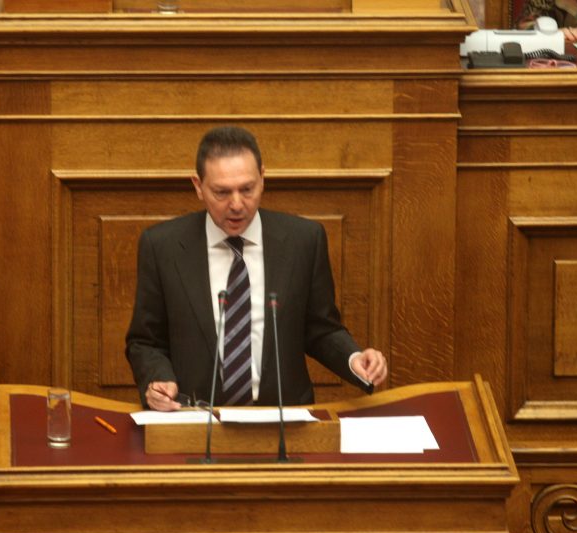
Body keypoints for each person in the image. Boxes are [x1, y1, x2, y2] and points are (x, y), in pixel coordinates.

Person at [125, 126, 388, 411]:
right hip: (196, 419)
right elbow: (145, 341)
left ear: (263, 178)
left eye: (247, 189)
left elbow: (320, 329)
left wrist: (353, 358)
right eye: (222, 192)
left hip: (283, 420)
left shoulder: (303, 240)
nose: (236, 204)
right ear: (198, 186)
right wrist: (158, 380)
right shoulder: (163, 246)